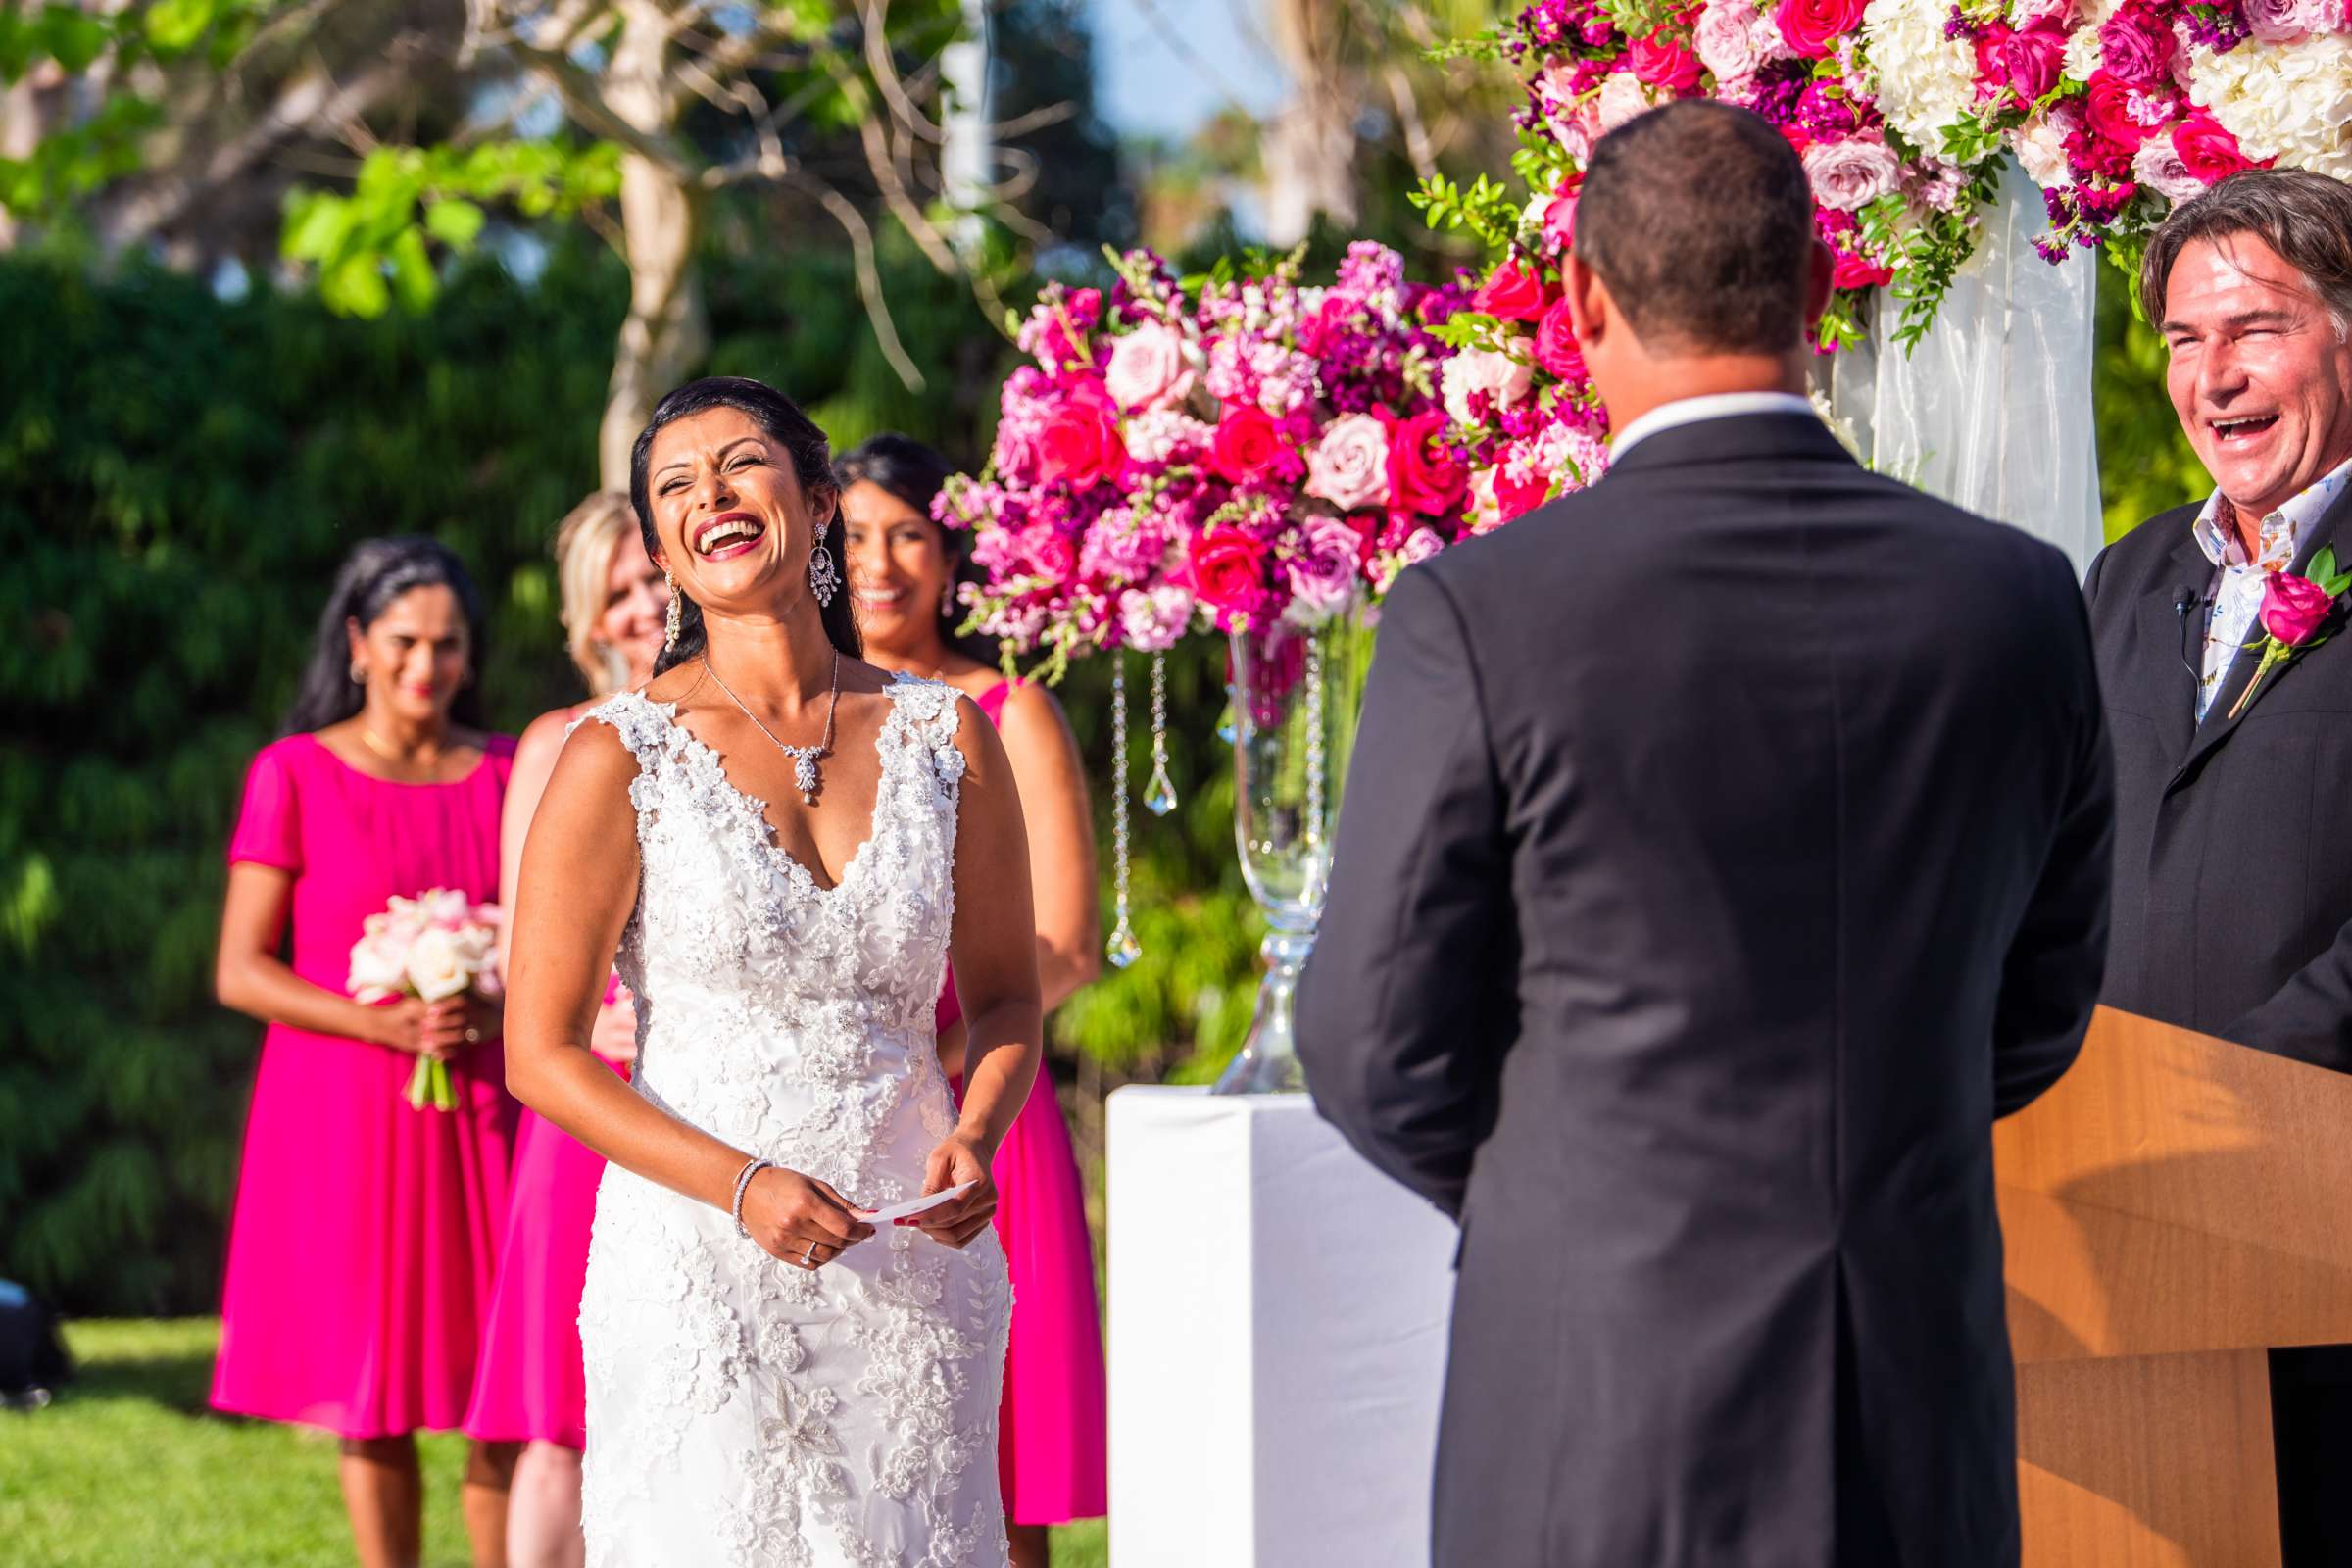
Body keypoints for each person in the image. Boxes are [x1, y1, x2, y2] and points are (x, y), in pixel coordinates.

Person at [1294, 100, 2114, 1567]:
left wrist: (1575, 1188)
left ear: (1583, 304)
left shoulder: (1484, 613)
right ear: (1817, 291)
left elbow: (1369, 1039)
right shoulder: (2015, 602)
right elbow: (2043, 1001)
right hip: (1907, 1386)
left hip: (1598, 1390)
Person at [502, 377, 1042, 1565]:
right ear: (659, 548)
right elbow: (537, 1054)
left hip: (914, 1260)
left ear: (819, 499)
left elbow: (1007, 994)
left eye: (742, 466)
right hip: (699, 1255)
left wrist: (980, 1131)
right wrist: (741, 1184)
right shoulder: (614, 758)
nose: (713, 498)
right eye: (676, 489)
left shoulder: (947, 735)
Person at [2082, 168, 2352, 1566]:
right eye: (2185, 342)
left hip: (2326, 1205)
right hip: (2121, 1215)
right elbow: (2059, 856)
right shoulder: (2125, 582)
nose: (2214, 380)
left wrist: (2225, 1098)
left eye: (2254, 330)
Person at [213, 536, 521, 1568]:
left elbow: (553, 939)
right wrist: (376, 1019)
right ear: (356, 643)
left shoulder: (511, 772)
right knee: (372, 1384)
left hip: (488, 1105)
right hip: (344, 1105)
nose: (425, 666)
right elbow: (242, 969)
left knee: (503, 1382)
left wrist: (490, 1008)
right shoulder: (292, 773)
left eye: (447, 645)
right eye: (403, 642)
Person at [838, 434, 1108, 1564]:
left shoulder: (1011, 707)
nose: (881, 561)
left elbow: (1068, 942)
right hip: (836, 1108)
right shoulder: (806, 712)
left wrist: (942, 1049)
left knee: (992, 1455)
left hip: (977, 1102)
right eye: (853, 534)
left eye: (911, 533)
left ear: (955, 560)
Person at [464, 493, 668, 1568]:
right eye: (617, 594)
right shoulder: (558, 742)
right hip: (591, 1108)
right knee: (561, 1415)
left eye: (653, 578)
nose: (643, 607)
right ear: (590, 624)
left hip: (721, 1105)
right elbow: (523, 963)